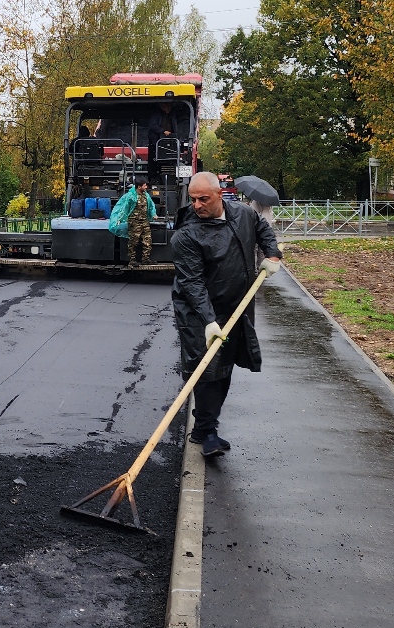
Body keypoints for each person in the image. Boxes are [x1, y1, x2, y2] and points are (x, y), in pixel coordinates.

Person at [170, 171, 282, 457]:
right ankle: (207, 432)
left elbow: (263, 229)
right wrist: (208, 321)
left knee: (226, 365)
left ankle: (206, 427)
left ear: (220, 195)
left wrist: (272, 255)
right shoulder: (187, 235)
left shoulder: (243, 214)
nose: (197, 205)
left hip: (236, 306)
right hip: (197, 311)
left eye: (203, 199)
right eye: (193, 199)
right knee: (206, 369)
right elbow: (192, 283)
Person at [109, 177, 157, 264]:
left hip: (144, 222)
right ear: (139, 187)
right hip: (134, 223)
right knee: (133, 242)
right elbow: (125, 208)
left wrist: (153, 214)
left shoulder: (146, 195)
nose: (146, 187)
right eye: (145, 185)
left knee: (147, 241)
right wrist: (120, 219)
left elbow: (151, 206)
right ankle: (132, 260)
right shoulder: (131, 196)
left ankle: (145, 259)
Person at [147, 102, 178, 181]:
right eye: (167, 106)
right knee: (153, 160)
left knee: (167, 159)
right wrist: (163, 131)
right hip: (155, 141)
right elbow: (153, 125)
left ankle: (166, 178)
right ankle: (152, 178)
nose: (169, 108)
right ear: (162, 107)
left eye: (169, 106)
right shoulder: (156, 115)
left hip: (168, 141)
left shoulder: (171, 115)